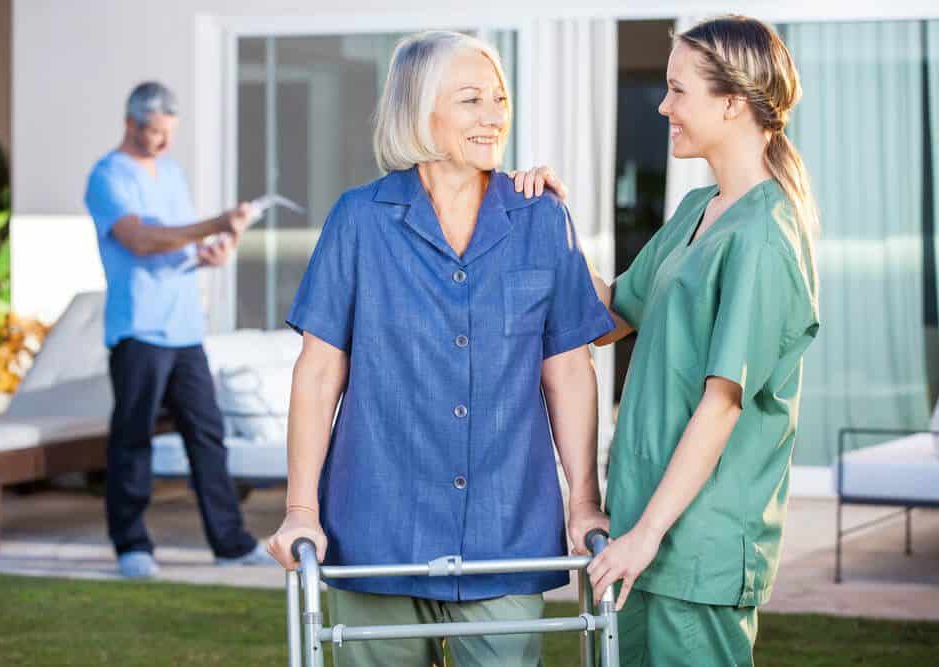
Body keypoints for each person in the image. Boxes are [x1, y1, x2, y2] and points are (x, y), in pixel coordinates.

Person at [265, 32, 613, 666]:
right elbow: (318, 375)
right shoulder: (359, 220)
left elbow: (569, 371)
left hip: (508, 533)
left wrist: (583, 499)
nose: (493, 116)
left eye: (500, 99)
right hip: (378, 528)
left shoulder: (541, 218)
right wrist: (300, 510)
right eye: (471, 99)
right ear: (420, 111)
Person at [568, 15, 819, 665]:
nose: (663, 105)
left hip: (692, 551)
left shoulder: (765, 236)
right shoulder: (697, 212)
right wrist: (548, 224)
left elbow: (723, 402)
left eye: (679, 90)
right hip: (638, 541)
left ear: (734, 102)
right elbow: (610, 317)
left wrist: (645, 536)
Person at [84, 81, 274, 578]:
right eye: (154, 132)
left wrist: (209, 253)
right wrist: (213, 224)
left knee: (208, 436)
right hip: (138, 328)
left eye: (170, 132)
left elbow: (179, 241)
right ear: (130, 123)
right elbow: (141, 240)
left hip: (186, 328)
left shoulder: (171, 172)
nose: (164, 142)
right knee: (133, 438)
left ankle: (230, 543)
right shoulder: (108, 176)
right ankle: (132, 545)